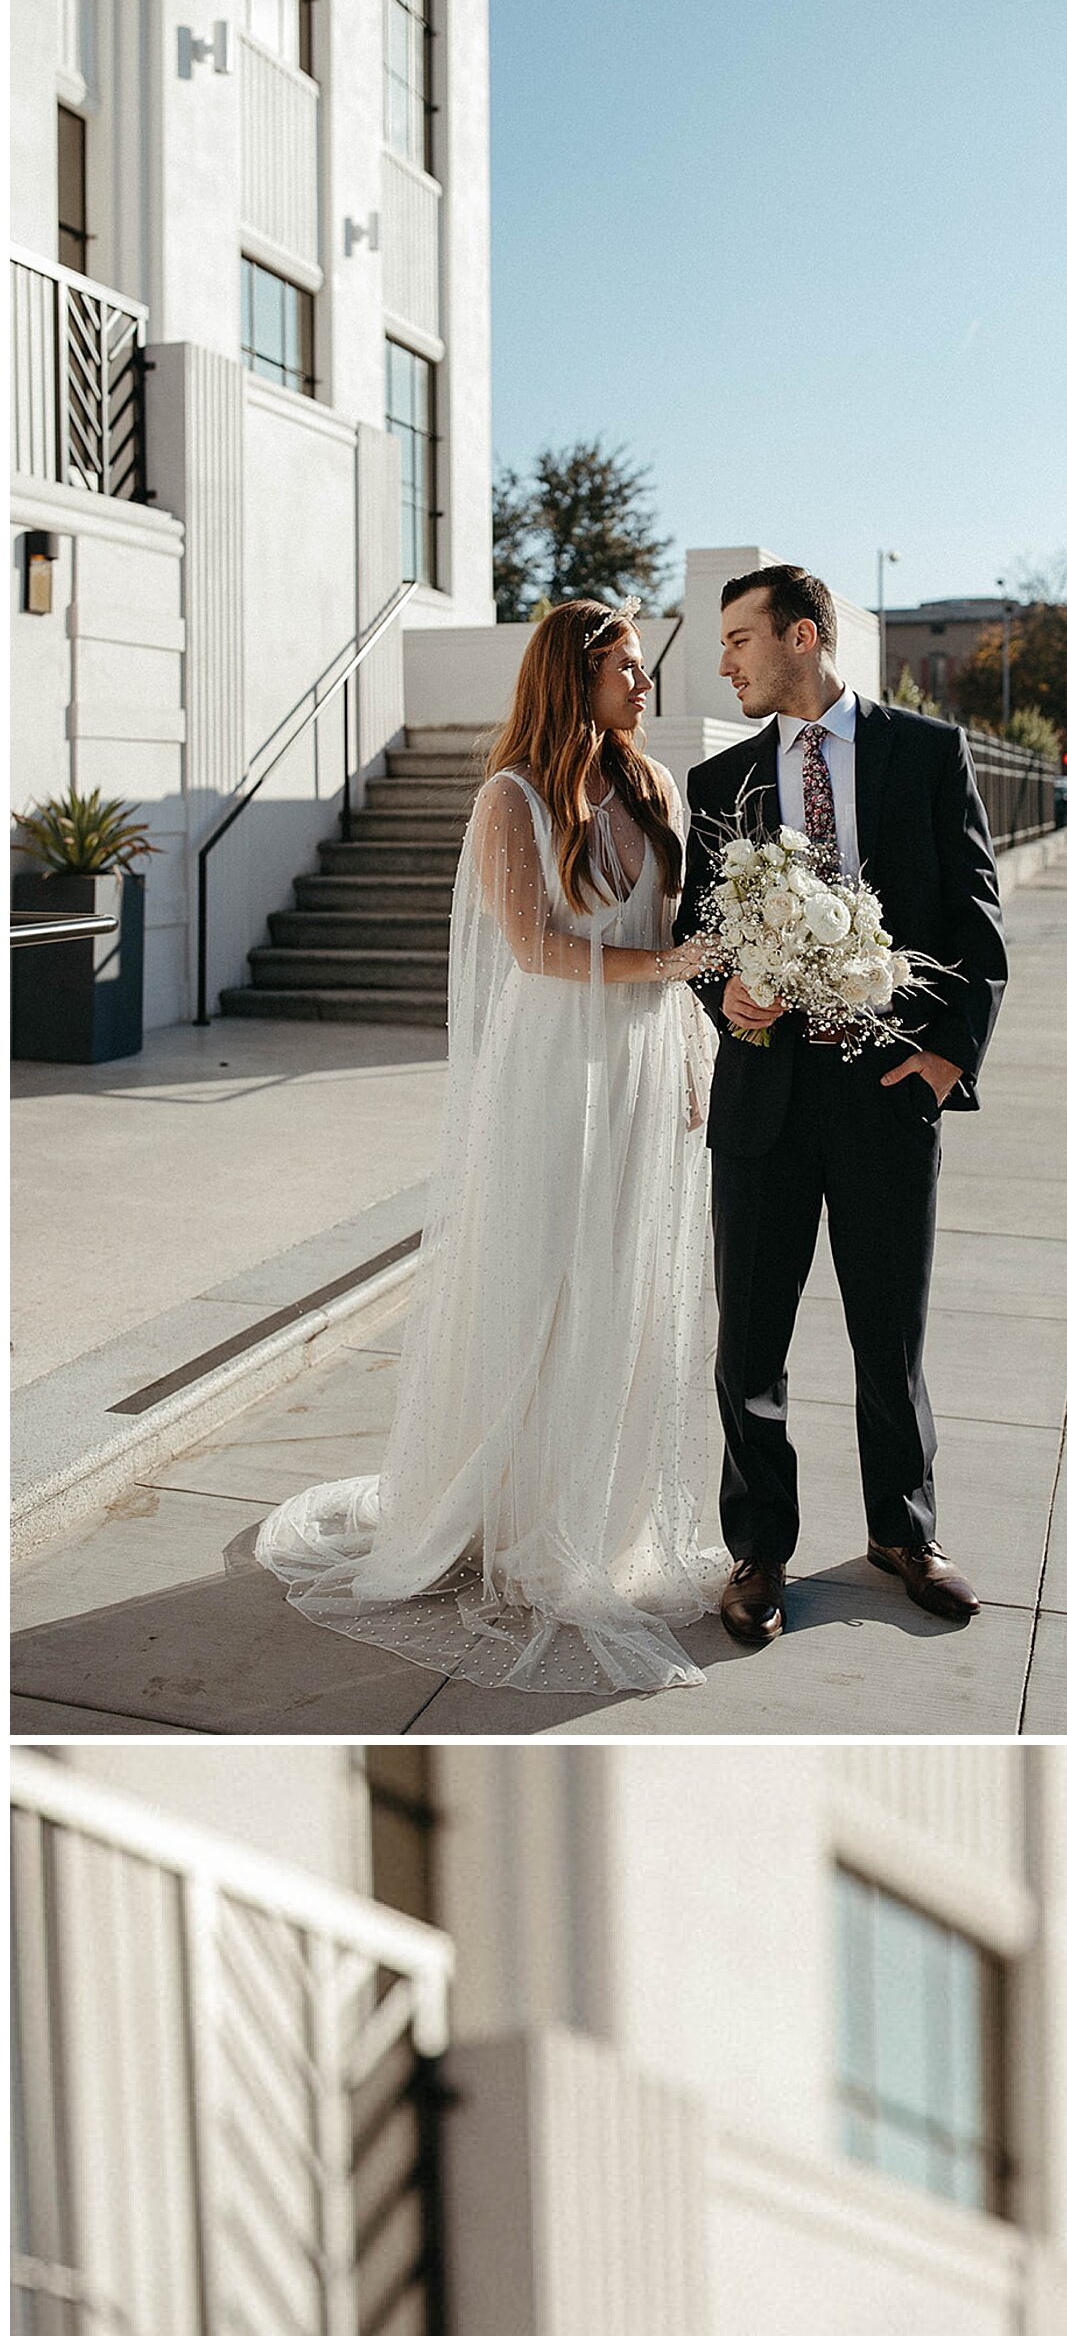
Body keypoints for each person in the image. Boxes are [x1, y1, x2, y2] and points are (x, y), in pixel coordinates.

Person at [256, 606, 727, 1698]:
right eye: (624, 669)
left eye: (643, 670)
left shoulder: (655, 791)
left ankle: (600, 1523)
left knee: (628, 1283)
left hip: (647, 1063)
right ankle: (516, 1518)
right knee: (542, 1284)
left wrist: (692, 1048)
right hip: (555, 1071)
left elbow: (673, 940)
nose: (643, 686)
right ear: (575, 676)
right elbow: (535, 946)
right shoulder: (509, 800)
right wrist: (658, 978)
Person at [678, 563, 1009, 1652]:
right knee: (750, 1347)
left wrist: (948, 1059)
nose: (722, 661)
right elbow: (701, 938)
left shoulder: (926, 753)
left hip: (884, 1093)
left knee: (888, 1336)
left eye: (738, 639)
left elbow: (975, 918)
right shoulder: (722, 780)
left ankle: (903, 1535)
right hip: (763, 1097)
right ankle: (758, 1553)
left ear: (803, 635)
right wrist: (721, 991)